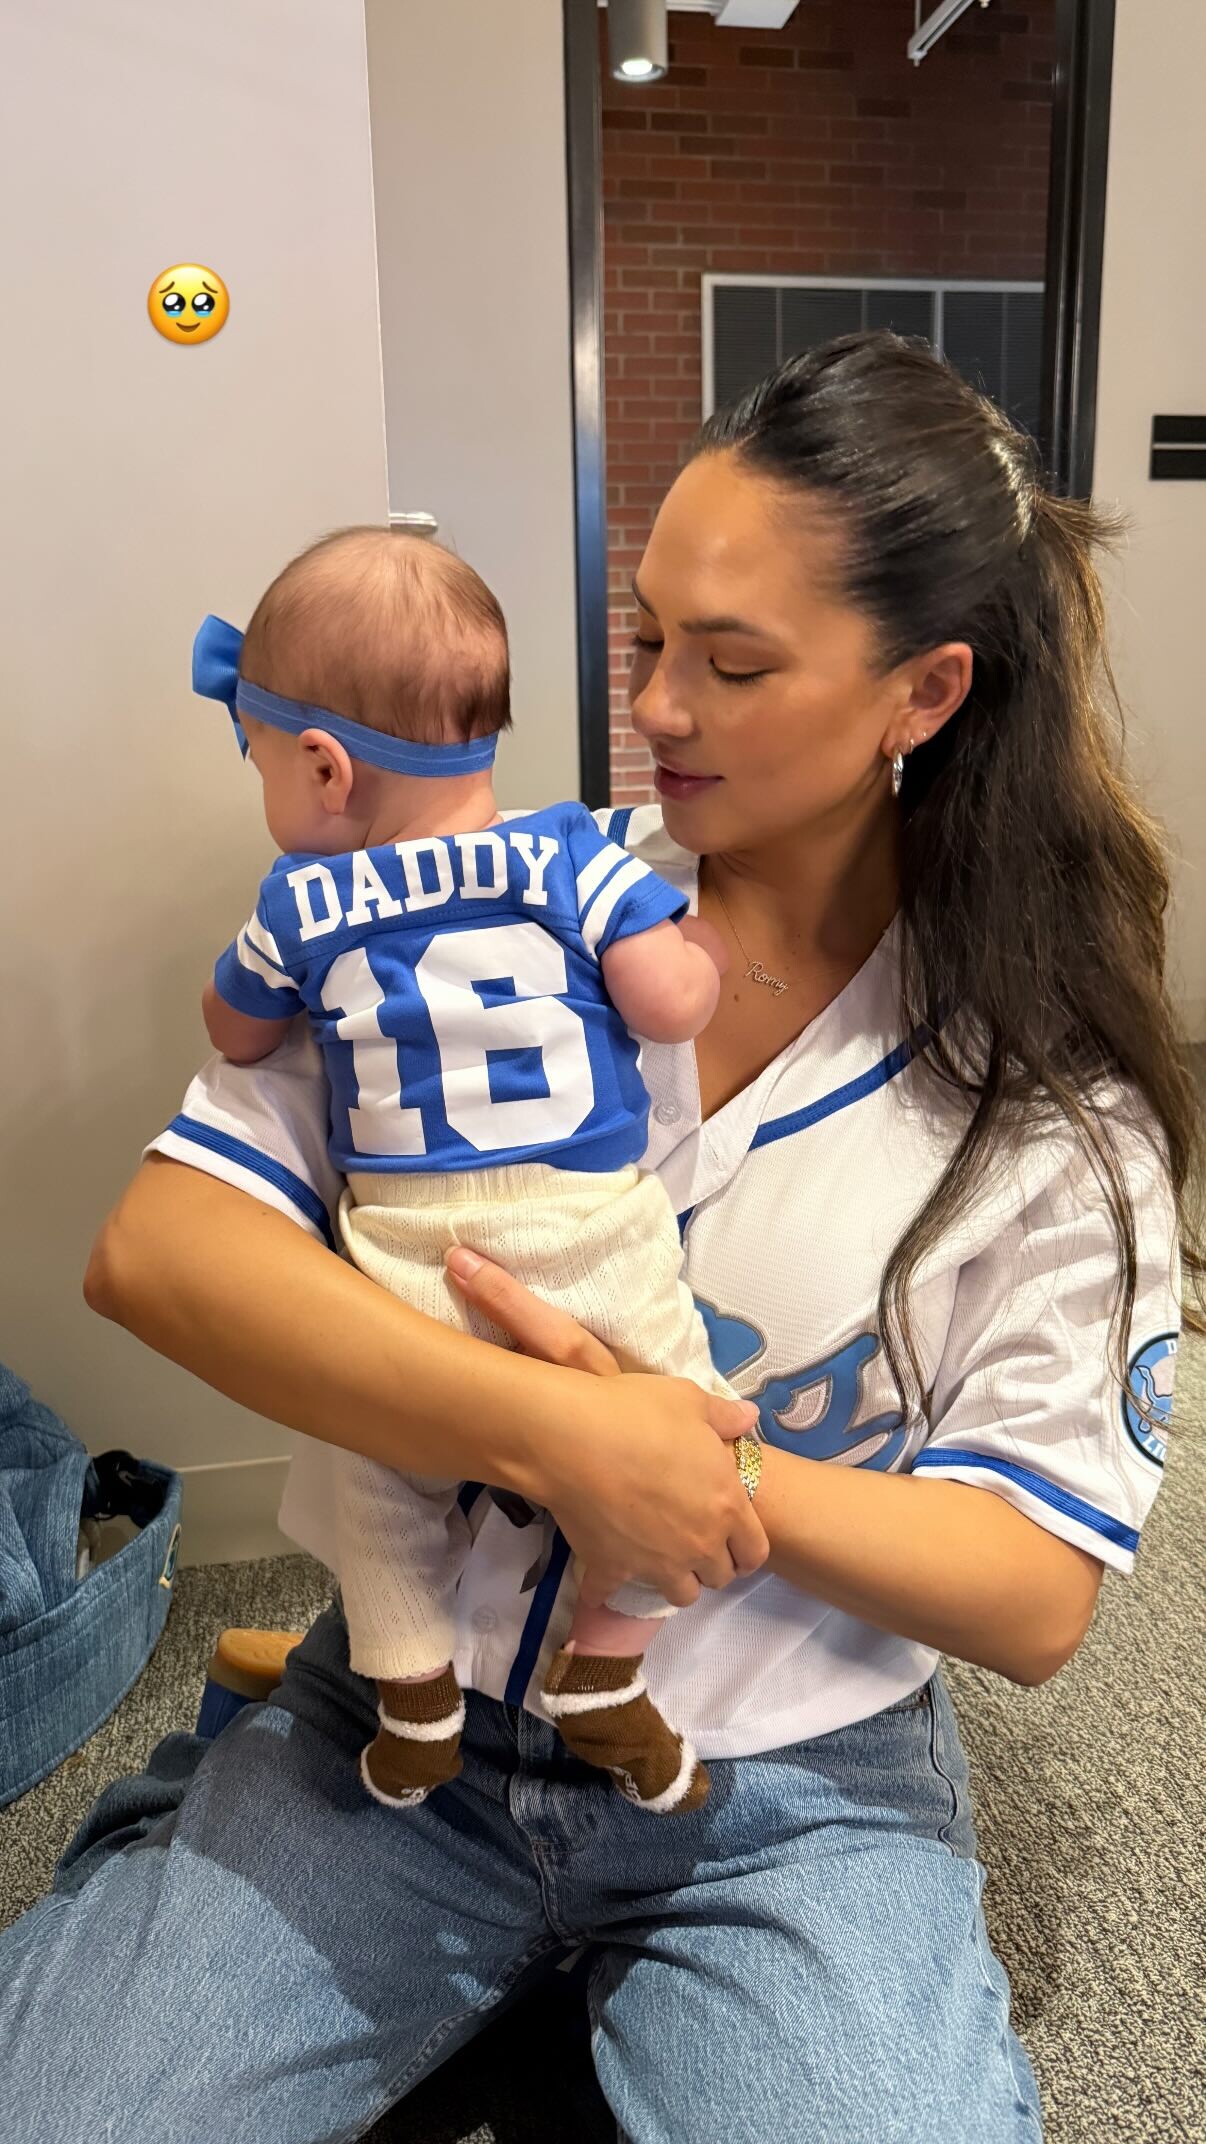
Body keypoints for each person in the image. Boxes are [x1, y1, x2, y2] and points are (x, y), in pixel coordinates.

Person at [2, 332, 1198, 2144]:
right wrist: (556, 1431)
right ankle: (229, 1794)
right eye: (646, 641)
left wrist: (708, 1478)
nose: (658, 708)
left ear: (924, 690)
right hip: (407, 1724)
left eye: (733, 662)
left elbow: (1031, 1591)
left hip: (785, 1782)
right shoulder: (496, 892)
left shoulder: (1044, 1087)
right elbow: (162, 1252)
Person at [193, 529, 753, 1815]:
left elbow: (234, 1032)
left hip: (410, 1256)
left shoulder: (299, 902)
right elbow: (670, 1004)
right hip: (592, 1231)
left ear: (324, 766)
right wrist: (706, 956)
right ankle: (606, 1661)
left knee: (379, 1478)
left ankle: (413, 1695)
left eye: (259, 759)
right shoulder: (570, 855)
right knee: (706, 1437)